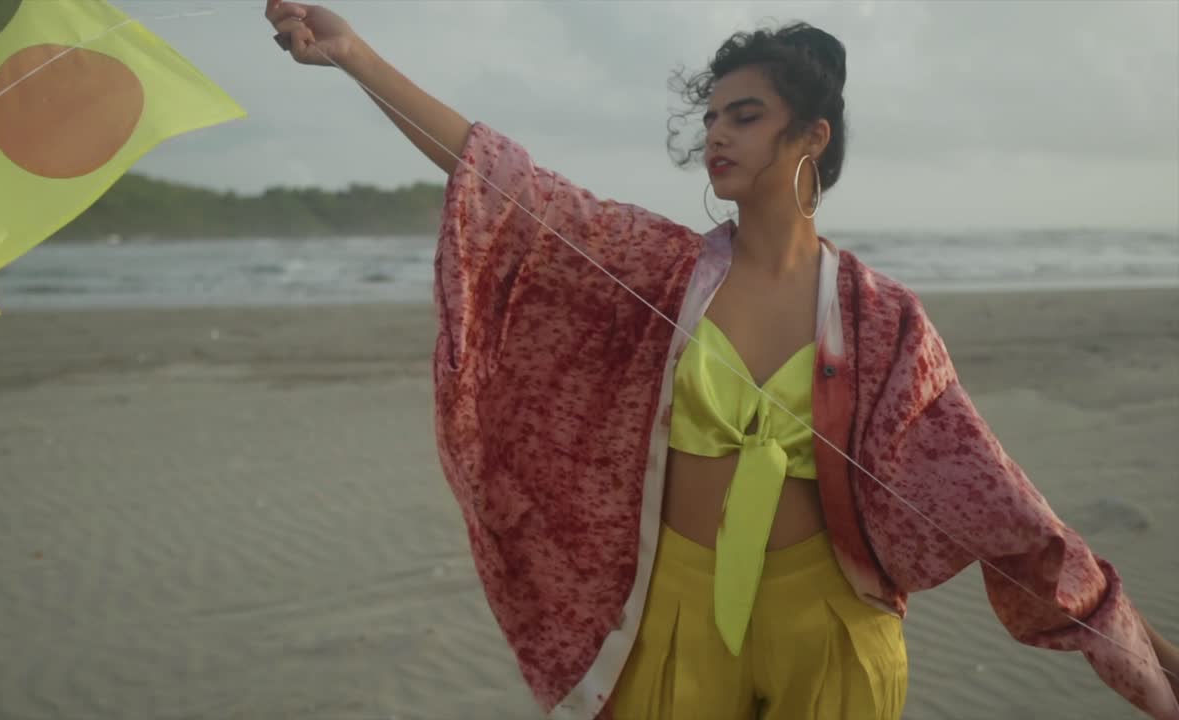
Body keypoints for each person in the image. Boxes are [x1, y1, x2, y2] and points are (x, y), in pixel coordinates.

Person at [263, 3, 1179, 719]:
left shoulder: (882, 316)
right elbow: (509, 185)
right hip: (677, 616)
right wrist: (356, 58)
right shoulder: (660, 272)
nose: (717, 135)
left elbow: (990, 491)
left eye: (746, 115)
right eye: (711, 117)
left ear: (811, 137)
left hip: (830, 625)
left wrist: (1132, 639)